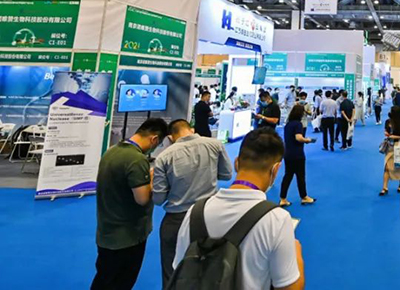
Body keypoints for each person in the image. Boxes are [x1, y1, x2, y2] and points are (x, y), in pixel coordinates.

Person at [172, 128, 305, 290]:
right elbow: (290, 287)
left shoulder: (195, 212)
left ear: (236, 163)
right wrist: (297, 254)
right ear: (275, 169)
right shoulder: (277, 219)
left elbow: (179, 270)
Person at [153, 119, 233, 288]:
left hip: (176, 219)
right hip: (208, 216)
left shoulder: (164, 157)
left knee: (171, 272)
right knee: (209, 270)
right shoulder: (215, 144)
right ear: (192, 129)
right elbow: (226, 175)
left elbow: (158, 199)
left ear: (170, 137)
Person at [92, 118, 169, 290]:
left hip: (107, 230)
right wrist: (154, 179)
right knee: (121, 282)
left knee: (105, 278)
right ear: (154, 139)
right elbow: (142, 199)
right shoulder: (136, 159)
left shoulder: (112, 151)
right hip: (127, 237)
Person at [279, 105, 316, 208]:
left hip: (288, 153)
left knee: (288, 176)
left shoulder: (288, 124)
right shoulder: (298, 124)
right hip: (297, 154)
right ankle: (304, 197)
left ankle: (283, 198)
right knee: (300, 176)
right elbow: (298, 138)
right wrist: (307, 140)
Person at [380, 106, 400, 196]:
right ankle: (384, 187)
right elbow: (386, 131)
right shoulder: (388, 122)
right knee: (387, 166)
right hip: (389, 146)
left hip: (398, 145)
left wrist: (395, 136)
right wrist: (387, 134)